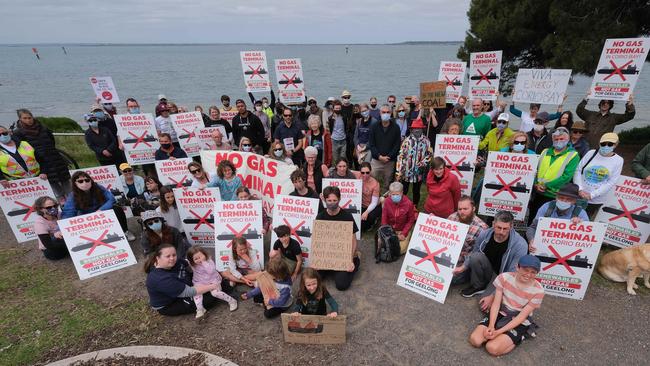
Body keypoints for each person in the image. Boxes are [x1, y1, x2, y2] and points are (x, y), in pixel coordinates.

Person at [468, 255, 544, 357]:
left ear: (537, 273)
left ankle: (521, 336)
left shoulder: (538, 291)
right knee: (475, 340)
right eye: (525, 270)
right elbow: (496, 303)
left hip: (518, 319)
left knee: (492, 348)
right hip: (501, 311)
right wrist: (491, 326)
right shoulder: (504, 277)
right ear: (517, 267)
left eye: (533, 272)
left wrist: (498, 332)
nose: (528, 275)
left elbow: (522, 316)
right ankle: (500, 335)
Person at [453, 211, 527, 300]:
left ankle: (488, 289)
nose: (502, 232)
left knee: (486, 305)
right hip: (485, 268)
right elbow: (474, 253)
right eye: (499, 228)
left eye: (505, 229)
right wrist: (462, 267)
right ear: (493, 224)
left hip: (501, 276)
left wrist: (493, 296)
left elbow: (513, 273)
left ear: (511, 227)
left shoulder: (520, 245)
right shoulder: (485, 234)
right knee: (454, 278)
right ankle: (479, 285)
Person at [145, 244, 224, 316]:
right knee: (209, 299)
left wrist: (207, 263)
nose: (172, 258)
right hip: (171, 303)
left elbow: (190, 262)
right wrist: (213, 286)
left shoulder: (175, 261)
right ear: (158, 258)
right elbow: (189, 292)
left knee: (207, 276)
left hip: (184, 283)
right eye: (167, 256)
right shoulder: (160, 278)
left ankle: (223, 282)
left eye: (174, 255)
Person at [13, 109, 71, 201]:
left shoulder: (43, 128)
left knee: (65, 179)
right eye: (25, 118)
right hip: (39, 160)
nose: (28, 120)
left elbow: (52, 141)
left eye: (29, 117)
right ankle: (61, 201)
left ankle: (72, 199)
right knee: (51, 182)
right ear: (20, 119)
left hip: (54, 156)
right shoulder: (18, 133)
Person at [62, 171, 134, 241]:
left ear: (91, 181)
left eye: (87, 180)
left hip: (102, 213)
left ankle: (125, 231)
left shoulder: (98, 187)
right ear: (75, 183)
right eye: (80, 181)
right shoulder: (72, 196)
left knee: (117, 209)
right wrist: (62, 229)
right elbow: (68, 212)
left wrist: (101, 210)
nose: (85, 183)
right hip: (87, 219)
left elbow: (111, 199)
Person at [529, 127, 580, 224]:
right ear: (552, 140)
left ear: (568, 139)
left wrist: (546, 185)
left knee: (548, 222)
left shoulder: (573, 155)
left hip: (554, 195)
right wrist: (535, 184)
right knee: (533, 219)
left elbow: (566, 177)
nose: (558, 141)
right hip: (538, 193)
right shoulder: (545, 152)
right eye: (556, 139)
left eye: (561, 139)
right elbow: (536, 170)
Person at [315, 186, 360, 291]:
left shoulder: (347, 216)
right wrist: (317, 260)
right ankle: (331, 269)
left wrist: (350, 260)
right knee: (315, 278)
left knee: (341, 285)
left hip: (343, 255)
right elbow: (318, 241)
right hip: (327, 255)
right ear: (325, 200)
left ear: (339, 199)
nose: (332, 203)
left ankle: (356, 260)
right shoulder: (320, 217)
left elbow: (353, 240)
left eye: (334, 200)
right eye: (329, 200)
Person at [526, 183, 589, 252]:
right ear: (556, 197)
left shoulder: (580, 213)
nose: (564, 201)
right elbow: (532, 228)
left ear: (574, 201)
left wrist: (581, 225)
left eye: (568, 199)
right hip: (543, 249)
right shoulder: (546, 207)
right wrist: (531, 240)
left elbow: (586, 238)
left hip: (567, 251)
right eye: (561, 198)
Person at [573, 133, 623, 218]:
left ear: (616, 144)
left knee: (585, 221)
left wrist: (592, 195)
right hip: (578, 195)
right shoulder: (591, 153)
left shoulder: (618, 160)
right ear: (599, 143)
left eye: (610, 144)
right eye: (603, 144)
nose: (606, 146)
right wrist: (580, 189)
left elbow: (611, 182)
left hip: (595, 200)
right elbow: (578, 170)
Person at [186, 246, 238, 317]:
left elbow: (210, 271)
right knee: (196, 293)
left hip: (213, 280)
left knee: (215, 293)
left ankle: (232, 301)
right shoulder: (193, 264)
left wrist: (204, 262)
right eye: (196, 259)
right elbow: (186, 260)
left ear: (204, 255)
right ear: (192, 260)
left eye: (200, 257)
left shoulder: (209, 261)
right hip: (200, 282)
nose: (199, 260)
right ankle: (200, 309)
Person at [395, 118, 432, 206]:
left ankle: (415, 206)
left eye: (419, 128)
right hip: (406, 171)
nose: (417, 130)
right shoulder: (407, 141)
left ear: (422, 129)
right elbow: (401, 156)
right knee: (404, 190)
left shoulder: (426, 141)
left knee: (416, 191)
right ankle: (401, 205)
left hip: (418, 172)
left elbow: (429, 155)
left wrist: (422, 163)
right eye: (415, 128)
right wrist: (399, 171)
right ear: (411, 129)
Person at [448, 196, 488, 275]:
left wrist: (463, 267)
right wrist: (432, 220)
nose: (462, 212)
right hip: (446, 256)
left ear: (473, 209)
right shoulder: (452, 217)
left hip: (463, 266)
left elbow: (478, 254)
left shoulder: (482, 229)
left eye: (465, 209)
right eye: (460, 209)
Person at [369, 104, 401, 192]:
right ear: (380, 113)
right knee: (372, 180)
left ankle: (385, 200)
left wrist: (389, 157)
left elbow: (397, 145)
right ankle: (373, 197)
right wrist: (379, 156)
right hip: (376, 160)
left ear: (391, 113)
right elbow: (372, 144)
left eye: (388, 112)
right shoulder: (374, 126)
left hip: (389, 161)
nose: (385, 114)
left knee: (388, 183)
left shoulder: (396, 127)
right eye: (383, 112)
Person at [381, 181, 417, 254]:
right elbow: (384, 218)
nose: (394, 196)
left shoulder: (408, 203)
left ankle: (407, 238)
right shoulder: (387, 201)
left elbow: (411, 220)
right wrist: (386, 231)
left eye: (397, 194)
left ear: (402, 192)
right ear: (390, 193)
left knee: (400, 250)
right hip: (390, 230)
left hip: (402, 230)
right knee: (382, 244)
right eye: (392, 194)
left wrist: (404, 233)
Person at [359, 162, 381, 231]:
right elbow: (345, 170)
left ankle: (374, 221)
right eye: (363, 173)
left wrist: (366, 212)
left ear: (370, 172)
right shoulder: (357, 176)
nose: (365, 175)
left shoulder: (375, 184)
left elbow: (374, 203)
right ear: (360, 172)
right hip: (360, 205)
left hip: (371, 206)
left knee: (364, 226)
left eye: (367, 172)